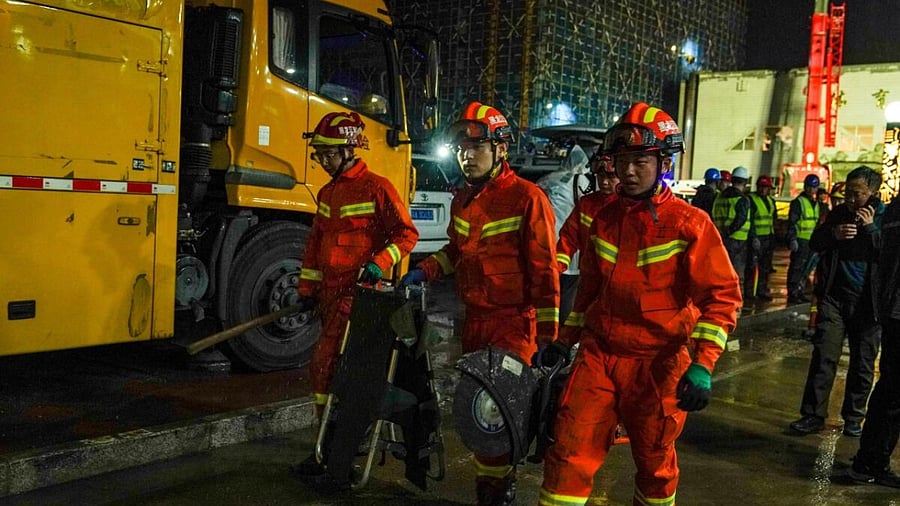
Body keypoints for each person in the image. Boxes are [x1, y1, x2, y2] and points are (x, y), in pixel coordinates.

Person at [538, 102, 742, 506]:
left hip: (658, 365)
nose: (628, 171)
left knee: (655, 465)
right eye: (622, 160)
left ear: (662, 162)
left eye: (640, 161)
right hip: (599, 357)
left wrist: (702, 365)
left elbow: (721, 298)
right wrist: (565, 340)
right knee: (567, 454)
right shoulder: (603, 218)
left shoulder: (690, 223)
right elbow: (590, 292)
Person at [401, 101, 559, 506]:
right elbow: (457, 249)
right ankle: (490, 489)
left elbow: (544, 272)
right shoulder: (463, 201)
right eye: (461, 150)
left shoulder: (528, 198)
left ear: (500, 149)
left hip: (512, 324)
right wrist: (427, 269)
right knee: (478, 414)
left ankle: (498, 492)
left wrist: (548, 335)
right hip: (474, 322)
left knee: (496, 413)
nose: (466, 157)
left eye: (477, 148)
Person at [296, 111, 419, 421]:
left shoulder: (377, 188)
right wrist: (307, 289)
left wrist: (379, 263)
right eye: (319, 154)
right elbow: (316, 244)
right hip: (331, 296)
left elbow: (406, 235)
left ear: (348, 151)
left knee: (336, 364)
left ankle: (340, 433)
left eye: (328, 154)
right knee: (328, 365)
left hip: (362, 297)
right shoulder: (327, 193)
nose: (323, 161)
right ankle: (330, 430)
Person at [789, 166, 884, 437]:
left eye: (858, 194)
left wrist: (871, 228)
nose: (852, 199)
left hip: (869, 304)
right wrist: (833, 234)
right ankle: (812, 415)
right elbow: (817, 242)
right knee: (824, 357)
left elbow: (888, 255)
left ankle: (853, 417)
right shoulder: (839, 214)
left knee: (862, 363)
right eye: (849, 193)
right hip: (834, 299)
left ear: (873, 192)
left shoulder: (885, 217)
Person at [847, 192, 900, 488]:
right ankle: (870, 462)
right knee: (892, 393)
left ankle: (870, 461)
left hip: (893, 310)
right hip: (896, 312)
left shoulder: (894, 209)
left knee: (891, 392)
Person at [536, 144, 590, 325]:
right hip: (570, 249)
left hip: (549, 245)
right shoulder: (585, 183)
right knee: (568, 293)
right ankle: (561, 334)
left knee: (548, 292)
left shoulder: (550, 179)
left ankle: (546, 330)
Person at [712, 165, 752, 301]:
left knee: (721, 272)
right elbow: (740, 220)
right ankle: (733, 301)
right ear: (745, 182)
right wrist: (729, 231)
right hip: (738, 241)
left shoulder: (719, 197)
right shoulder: (742, 200)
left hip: (719, 238)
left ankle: (719, 298)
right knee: (736, 273)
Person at [786, 174, 821, 303]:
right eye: (811, 187)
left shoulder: (815, 204)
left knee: (805, 269)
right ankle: (793, 293)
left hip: (810, 241)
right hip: (800, 240)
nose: (813, 190)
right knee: (796, 267)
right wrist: (792, 239)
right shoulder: (799, 202)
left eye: (815, 187)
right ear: (806, 187)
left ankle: (799, 291)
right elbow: (793, 222)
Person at [746, 175, 777, 301]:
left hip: (768, 238)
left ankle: (762, 290)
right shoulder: (751, 200)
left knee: (765, 267)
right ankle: (750, 292)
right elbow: (750, 220)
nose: (763, 190)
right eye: (762, 187)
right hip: (757, 237)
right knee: (753, 267)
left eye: (766, 187)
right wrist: (753, 237)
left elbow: (773, 219)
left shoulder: (770, 201)